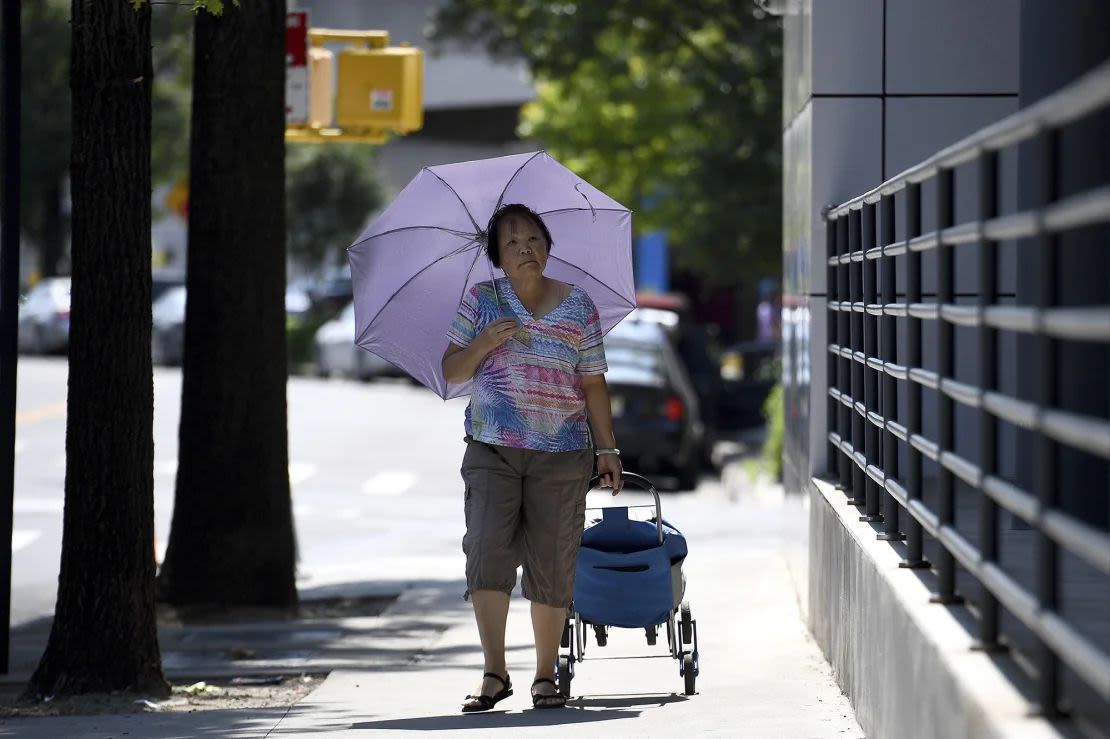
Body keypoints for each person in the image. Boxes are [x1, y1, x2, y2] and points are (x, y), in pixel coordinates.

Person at [442, 203, 624, 711]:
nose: (525, 248)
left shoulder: (578, 304)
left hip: (562, 453)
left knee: (551, 560)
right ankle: (494, 673)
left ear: (547, 246)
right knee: (486, 551)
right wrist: (483, 342)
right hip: (492, 450)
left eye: (533, 240)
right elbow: (452, 371)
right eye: (512, 243)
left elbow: (592, 381)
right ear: (497, 258)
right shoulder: (481, 300)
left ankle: (546, 676)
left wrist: (606, 448)